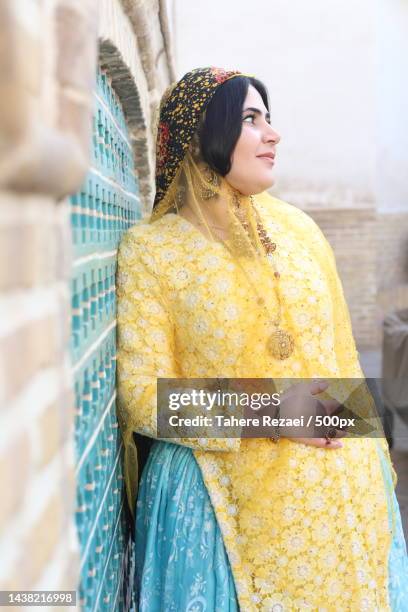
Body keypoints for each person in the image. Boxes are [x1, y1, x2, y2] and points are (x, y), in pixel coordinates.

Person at [116, 67, 408, 611]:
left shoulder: (301, 232)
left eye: (270, 119)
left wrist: (368, 476)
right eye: (250, 120)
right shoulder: (152, 251)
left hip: (340, 515)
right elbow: (139, 396)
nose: (273, 134)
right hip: (220, 515)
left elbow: (340, 365)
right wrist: (276, 412)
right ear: (202, 135)